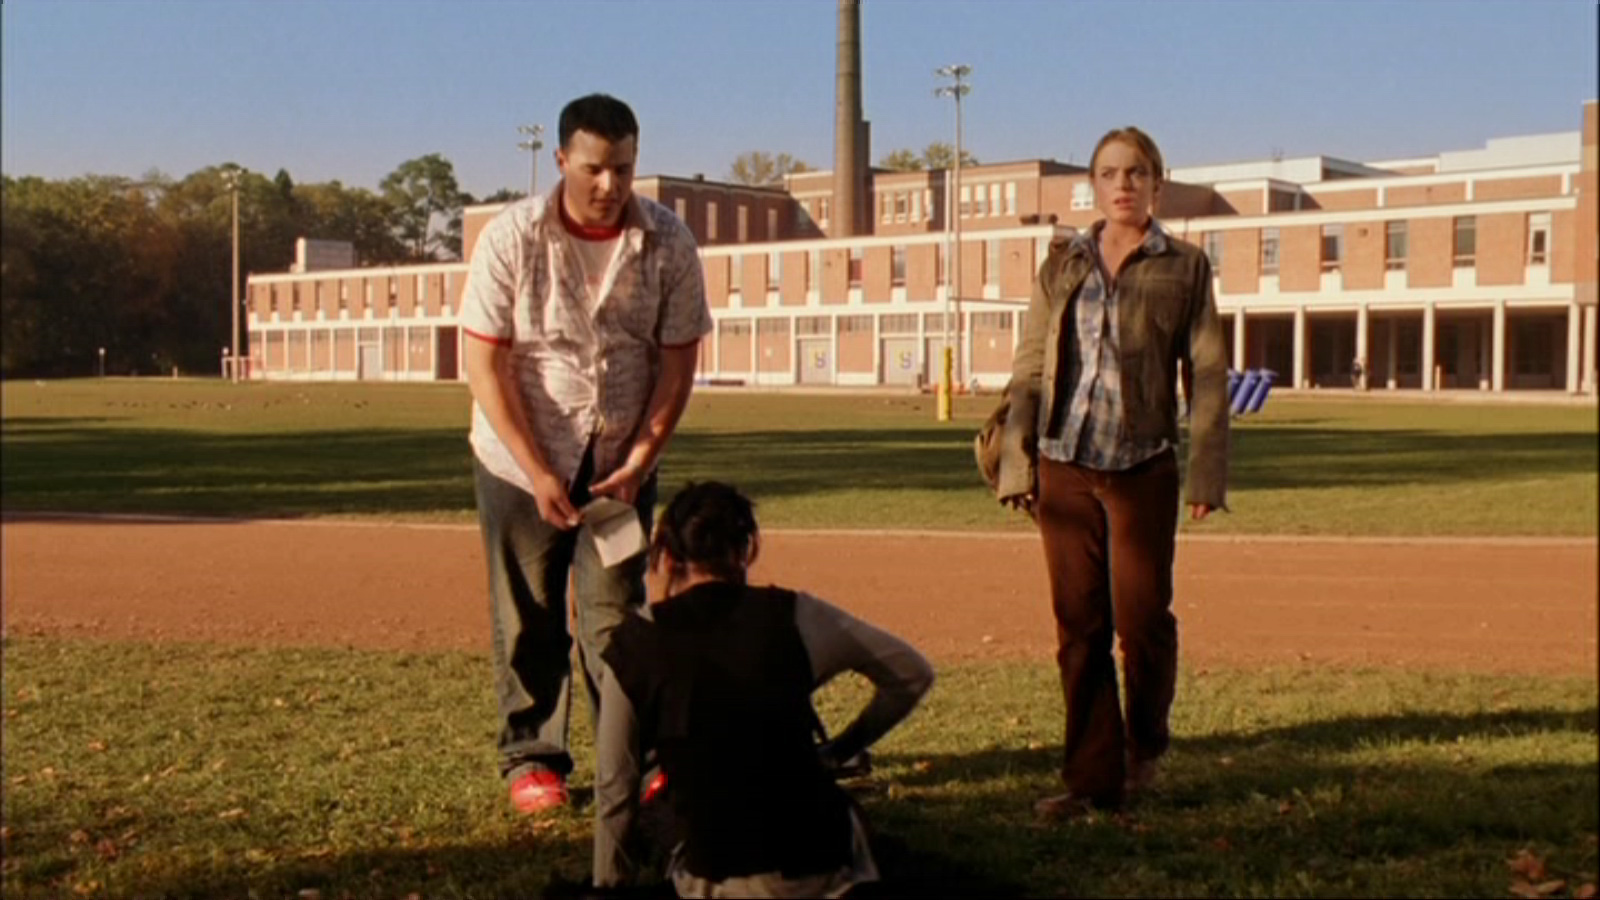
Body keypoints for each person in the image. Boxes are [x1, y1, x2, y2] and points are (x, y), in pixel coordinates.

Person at [459, 93, 712, 815]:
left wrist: (641, 460)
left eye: (624, 169)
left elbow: (677, 366)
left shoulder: (669, 243)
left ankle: (628, 757)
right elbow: (484, 365)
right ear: (562, 159)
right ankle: (533, 757)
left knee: (616, 619)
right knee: (530, 613)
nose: (610, 185)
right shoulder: (512, 237)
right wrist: (536, 470)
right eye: (594, 168)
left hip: (620, 465)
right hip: (519, 459)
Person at [993, 126, 1229, 817]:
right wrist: (1017, 462)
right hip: (1063, 464)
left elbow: (1207, 373)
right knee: (1080, 628)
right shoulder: (1062, 262)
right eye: (1109, 173)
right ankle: (1091, 780)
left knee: (1143, 620)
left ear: (1157, 183)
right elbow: (1030, 366)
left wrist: (1206, 474)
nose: (1123, 184)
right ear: (1093, 186)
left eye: (1136, 172)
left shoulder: (1185, 266)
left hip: (1141, 467)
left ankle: (1143, 747)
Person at [592, 481, 934, 898]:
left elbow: (616, 785)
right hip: (823, 871)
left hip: (715, 878)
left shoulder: (635, 642)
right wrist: (840, 749)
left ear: (665, 555)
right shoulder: (794, 614)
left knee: (660, 811)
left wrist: (606, 887)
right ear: (745, 550)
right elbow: (911, 673)